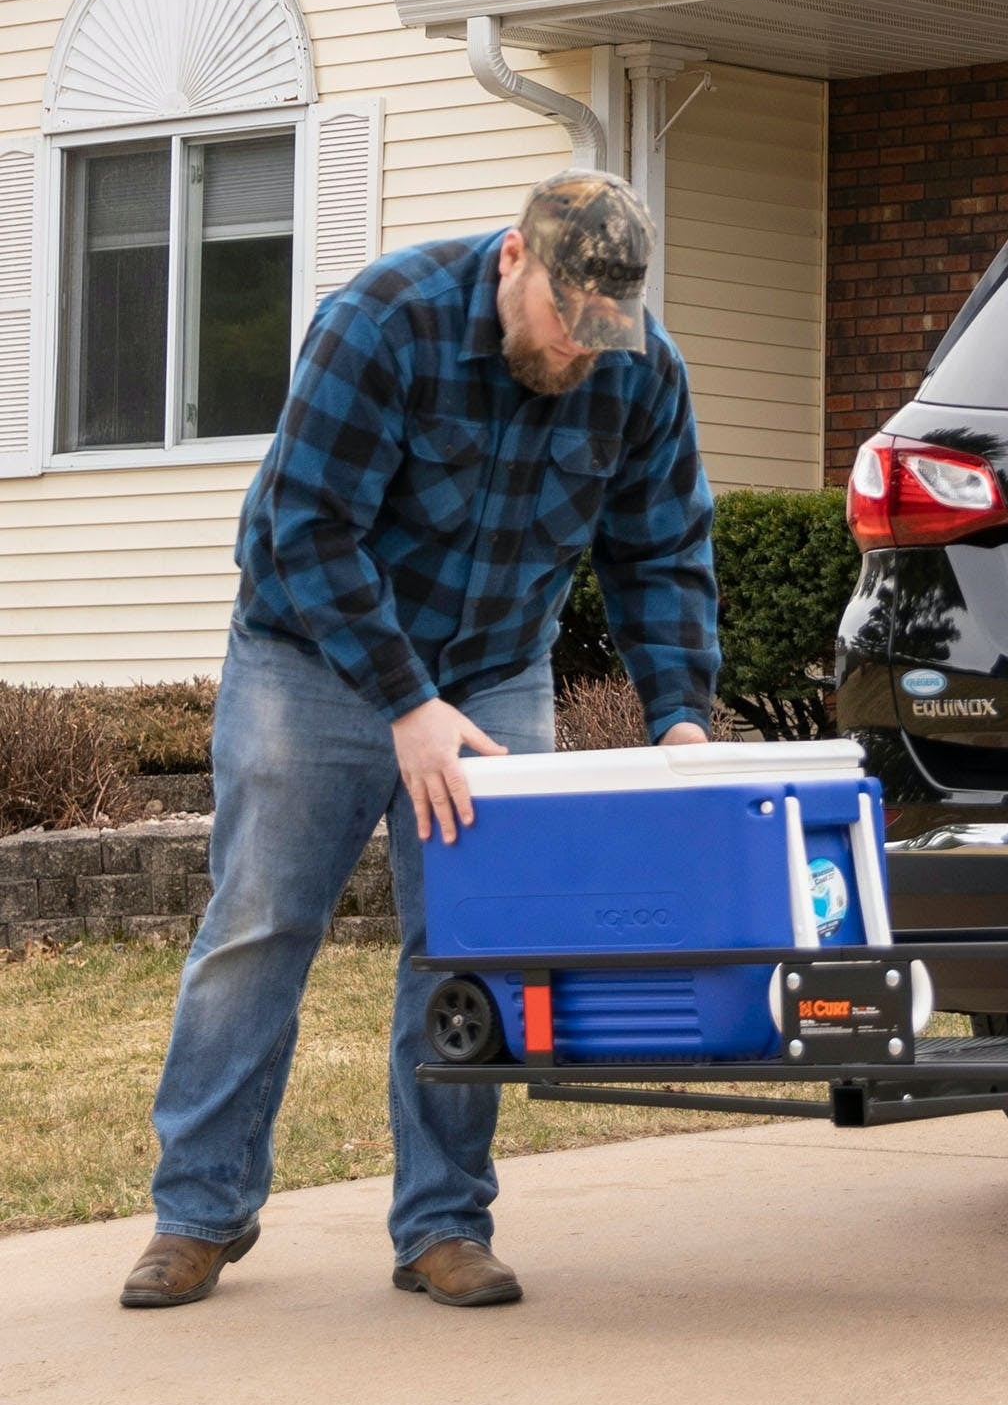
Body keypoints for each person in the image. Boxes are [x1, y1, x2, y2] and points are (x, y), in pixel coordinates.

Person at [123, 172, 719, 1312]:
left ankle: (444, 1221)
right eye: (564, 320)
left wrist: (679, 712)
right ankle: (196, 1213)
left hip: (493, 669)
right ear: (512, 259)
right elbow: (305, 527)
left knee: (472, 942)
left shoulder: (639, 372)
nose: (581, 351)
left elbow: (660, 551)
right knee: (260, 924)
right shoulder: (383, 322)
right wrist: (403, 702)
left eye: (604, 331)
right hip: (314, 661)